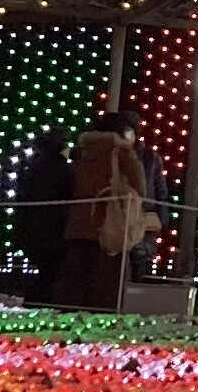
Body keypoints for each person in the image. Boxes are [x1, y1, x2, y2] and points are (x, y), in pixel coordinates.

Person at [53, 109, 149, 311]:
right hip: (109, 225)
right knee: (107, 290)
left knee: (75, 287)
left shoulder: (83, 151)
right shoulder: (122, 151)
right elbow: (140, 188)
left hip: (78, 225)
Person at [8, 132, 69, 305]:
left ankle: (36, 299)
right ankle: (42, 300)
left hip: (32, 225)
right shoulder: (62, 169)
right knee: (51, 269)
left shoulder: (31, 168)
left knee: (44, 267)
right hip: (55, 227)